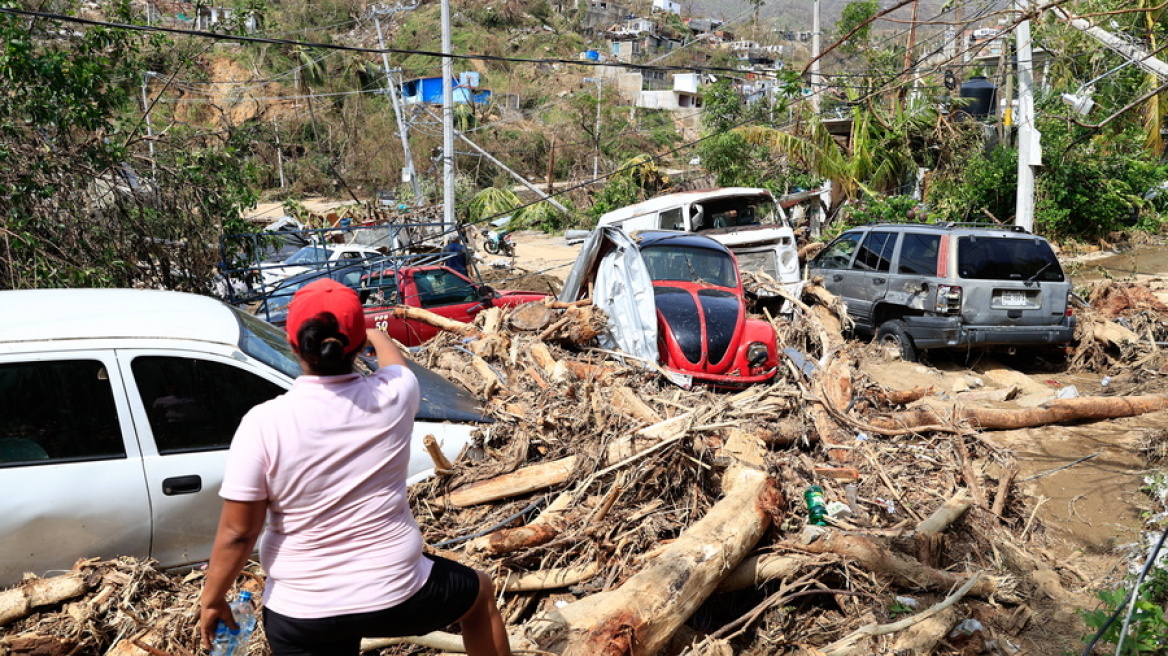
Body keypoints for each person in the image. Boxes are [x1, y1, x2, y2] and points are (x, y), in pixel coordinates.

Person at [198, 278, 510, 656]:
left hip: (302, 612)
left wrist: (212, 599)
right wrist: (370, 334)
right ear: (356, 345)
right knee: (479, 594)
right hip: (399, 593)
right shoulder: (395, 395)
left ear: (294, 342)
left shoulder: (262, 423)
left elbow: (237, 534)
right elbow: (394, 358)